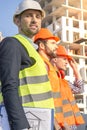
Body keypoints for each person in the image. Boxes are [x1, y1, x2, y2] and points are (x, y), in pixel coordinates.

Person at [0, 0, 54, 130]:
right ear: (17, 21)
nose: (34, 20)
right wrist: (21, 126)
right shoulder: (12, 44)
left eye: (38, 16)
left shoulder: (33, 50)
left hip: (42, 120)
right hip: (27, 121)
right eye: (29, 15)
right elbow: (9, 86)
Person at [50, 45, 85, 130]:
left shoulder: (63, 81)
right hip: (61, 126)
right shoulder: (51, 79)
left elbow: (80, 89)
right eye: (64, 59)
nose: (67, 62)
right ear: (55, 59)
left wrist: (76, 70)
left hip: (70, 125)